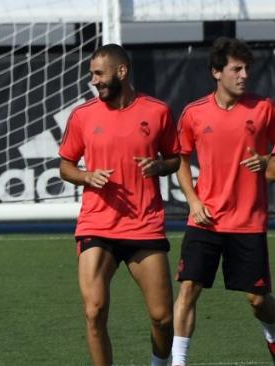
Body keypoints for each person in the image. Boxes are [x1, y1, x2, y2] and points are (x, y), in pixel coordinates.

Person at [59, 43, 180, 366]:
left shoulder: (157, 112)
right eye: (91, 75)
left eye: (99, 74)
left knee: (163, 318)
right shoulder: (82, 115)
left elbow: (174, 159)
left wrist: (159, 167)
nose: (94, 81)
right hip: (96, 225)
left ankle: (161, 362)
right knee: (93, 311)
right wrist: (86, 177)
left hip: (144, 225)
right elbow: (65, 165)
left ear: (121, 72)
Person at [171, 37, 275, 366]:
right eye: (236, 69)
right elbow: (180, 160)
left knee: (257, 300)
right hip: (205, 219)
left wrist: (268, 164)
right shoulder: (194, 113)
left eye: (247, 69)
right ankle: (178, 362)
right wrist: (193, 201)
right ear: (217, 72)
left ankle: (272, 334)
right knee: (188, 290)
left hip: (248, 221)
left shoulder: (264, 109)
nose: (244, 75)